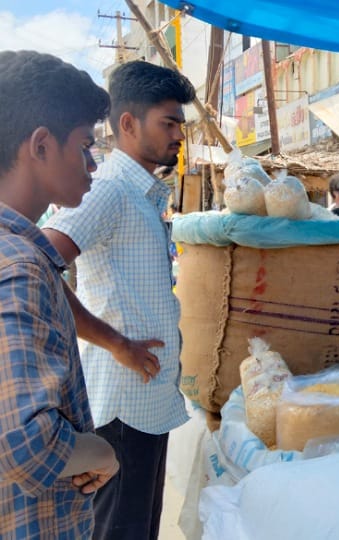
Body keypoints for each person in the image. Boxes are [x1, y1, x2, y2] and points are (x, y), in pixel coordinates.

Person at [43, 60, 196, 539]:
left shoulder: (143, 194)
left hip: (146, 400)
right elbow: (36, 263)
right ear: (127, 123)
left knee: (138, 528)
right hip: (121, 405)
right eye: (167, 123)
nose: (178, 136)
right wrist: (115, 342)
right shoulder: (108, 190)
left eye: (180, 125)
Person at [0, 50, 118, 538]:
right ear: (42, 145)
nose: (92, 164)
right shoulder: (21, 266)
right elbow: (27, 444)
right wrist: (102, 454)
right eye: (86, 146)